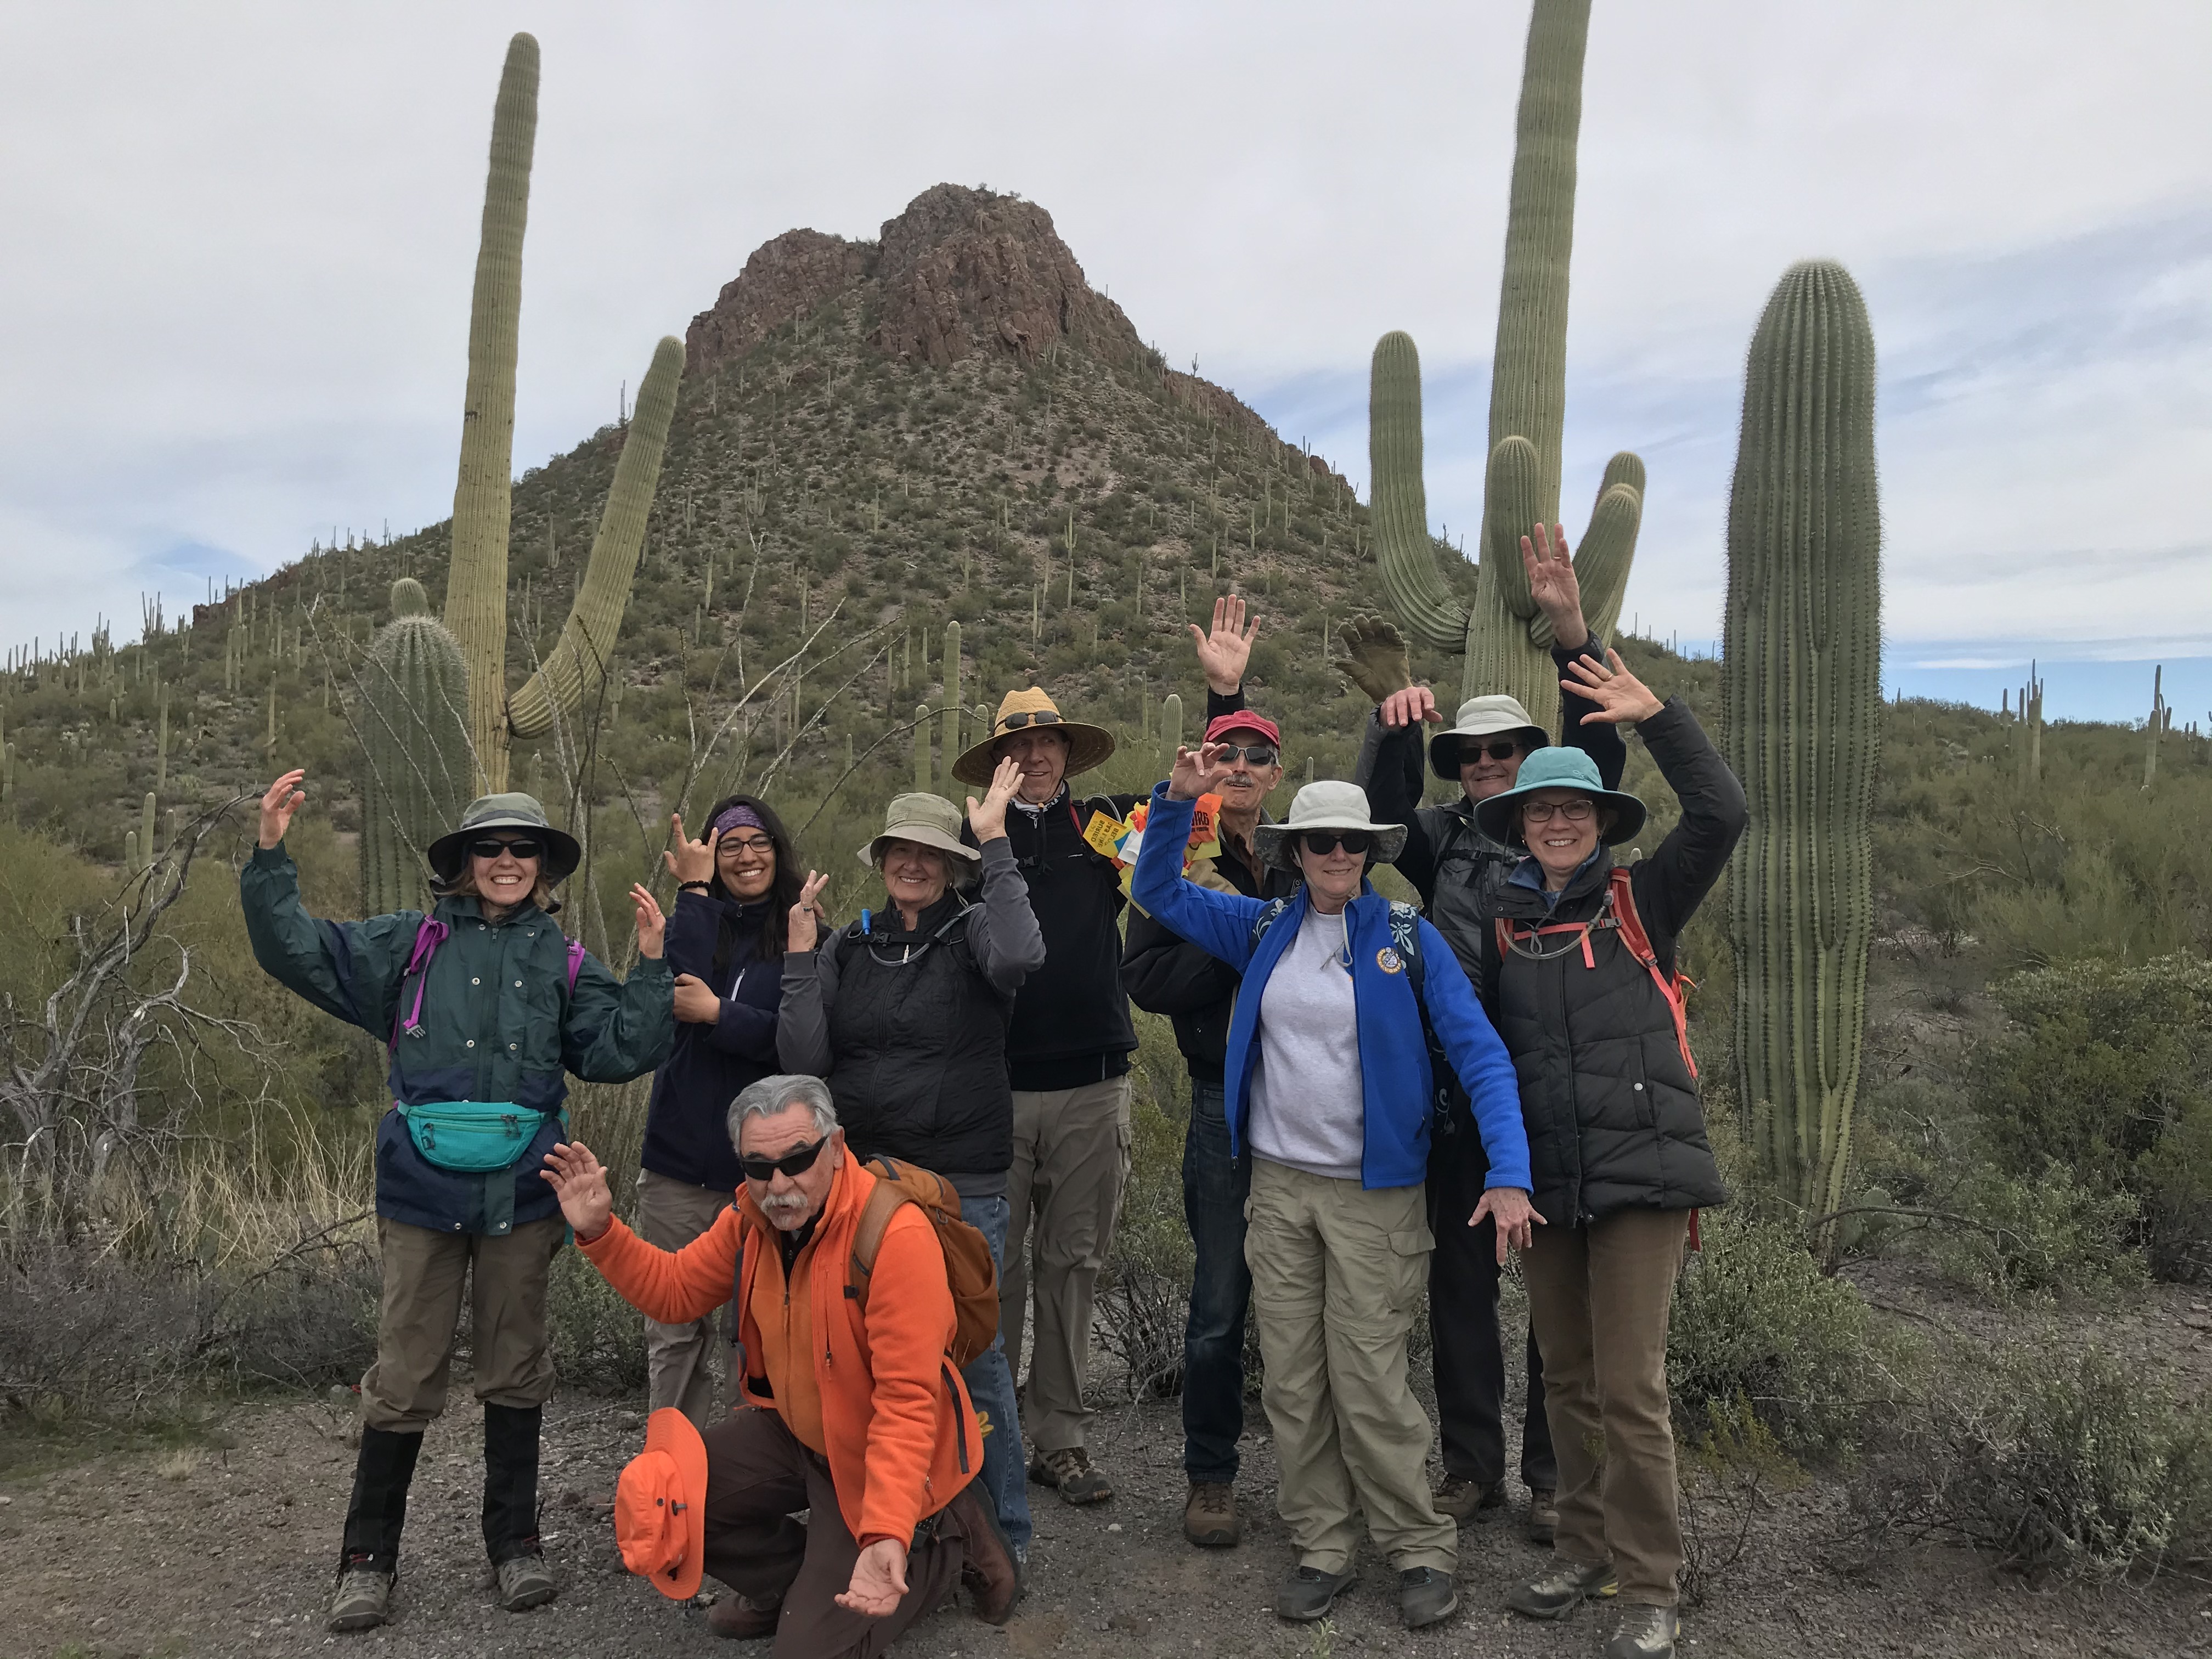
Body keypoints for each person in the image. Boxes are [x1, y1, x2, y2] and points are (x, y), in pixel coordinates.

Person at [240, 775, 674, 1633]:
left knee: (516, 1366)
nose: (507, 861)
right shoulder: (407, 945)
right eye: (491, 848)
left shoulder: (565, 960)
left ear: (543, 865)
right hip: (421, 1191)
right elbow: (298, 951)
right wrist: (269, 858)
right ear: (465, 862)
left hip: (525, 1191)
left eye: (524, 849)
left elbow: (621, 1051)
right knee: (405, 1373)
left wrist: (653, 967)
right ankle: (367, 1561)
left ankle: (516, 1545)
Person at [1130, 748, 1538, 1632]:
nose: (1338, 854)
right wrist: (1176, 803)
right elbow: (1157, 890)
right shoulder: (1261, 927)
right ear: (1296, 850)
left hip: (1373, 1197)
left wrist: (1509, 1172)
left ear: (1371, 849)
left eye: (1353, 841)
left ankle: (1418, 1548)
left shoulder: (1407, 938)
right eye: (1321, 841)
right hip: (1279, 1190)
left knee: (1370, 1379)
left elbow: (1481, 1055)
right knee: (1292, 1380)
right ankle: (1323, 1543)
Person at [1347, 524, 1628, 1539]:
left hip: (1554, 1086)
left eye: (1502, 750)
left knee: (1555, 1292)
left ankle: (1551, 1475)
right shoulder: (1440, 840)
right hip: (1460, 1091)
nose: (1484, 764)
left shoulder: (1563, 837)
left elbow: (1603, 752)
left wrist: (1574, 637)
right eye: (1468, 753)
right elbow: (1376, 817)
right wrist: (1388, 728)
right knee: (1460, 1287)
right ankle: (1473, 1465)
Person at [541, 1075, 1021, 1656]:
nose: (779, 1184)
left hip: (874, 1452)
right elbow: (675, 1291)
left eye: (797, 1160)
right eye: (759, 1166)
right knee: (666, 1504)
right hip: (797, 1433)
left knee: (809, 1652)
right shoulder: (752, 1218)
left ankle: (946, 1542)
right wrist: (598, 1229)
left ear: (836, 1147)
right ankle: (788, 1584)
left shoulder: (894, 1235)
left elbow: (906, 1403)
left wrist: (887, 1533)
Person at [1477, 651, 1744, 1659]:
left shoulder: (1643, 900)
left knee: (1631, 1389)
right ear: (1521, 823)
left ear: (1599, 821)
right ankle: (1582, 1547)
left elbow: (1721, 814)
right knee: (1565, 1377)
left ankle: (1650, 1582)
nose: (1557, 823)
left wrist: (1658, 717)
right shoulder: (1507, 927)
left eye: (1574, 810)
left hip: (1641, 1177)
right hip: (1547, 1181)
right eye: (1541, 810)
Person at [778, 766, 1041, 1562]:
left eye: (931, 852)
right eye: (901, 850)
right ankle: (898, 1526)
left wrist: (995, 843)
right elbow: (804, 1057)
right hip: (865, 1185)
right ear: (884, 859)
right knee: (865, 1354)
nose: (914, 864)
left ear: (953, 864)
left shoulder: (977, 933)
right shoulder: (852, 945)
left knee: (972, 1354)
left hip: (961, 1183)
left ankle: (1003, 1538)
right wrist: (800, 957)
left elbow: (1022, 957)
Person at [1120, 596, 1294, 1549]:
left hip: (1307, 1102)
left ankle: (1320, 1473)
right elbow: (1143, 975)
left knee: (1313, 1299)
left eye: (1257, 756)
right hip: (1219, 1100)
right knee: (1221, 1298)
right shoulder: (1174, 850)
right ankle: (1212, 1474)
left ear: (1277, 774)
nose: (1240, 767)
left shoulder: (1309, 851)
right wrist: (1242, 951)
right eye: (1226, 753)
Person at [949, 687, 1138, 1505]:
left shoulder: (1104, 826)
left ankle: (1060, 1438)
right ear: (998, 759)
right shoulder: (965, 841)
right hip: (992, 1086)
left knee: (1072, 1265)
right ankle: (988, 1437)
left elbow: (1182, 858)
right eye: (1018, 747)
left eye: (1049, 743)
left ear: (1068, 752)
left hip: (1092, 1082)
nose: (1035, 757)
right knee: (992, 1270)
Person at [636, 794, 804, 1429]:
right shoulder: (696, 920)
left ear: (777, 850)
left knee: (758, 1328)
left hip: (765, 1171)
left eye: (758, 841)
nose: (746, 856)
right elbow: (674, 995)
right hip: (678, 1162)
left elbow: (801, 1041)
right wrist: (695, 892)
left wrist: (720, 1015)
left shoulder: (803, 930)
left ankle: (752, 1462)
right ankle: (673, 1468)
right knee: (674, 1328)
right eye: (729, 845)